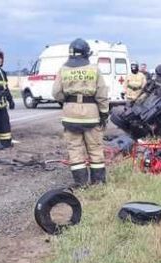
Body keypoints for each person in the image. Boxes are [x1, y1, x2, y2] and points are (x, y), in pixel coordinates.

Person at [52, 38, 109, 187]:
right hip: (91, 114)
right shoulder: (94, 69)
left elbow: (56, 93)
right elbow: (102, 94)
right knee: (95, 148)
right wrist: (104, 113)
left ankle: (81, 183)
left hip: (70, 115)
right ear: (86, 53)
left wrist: (68, 100)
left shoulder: (63, 69)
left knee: (75, 149)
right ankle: (98, 183)